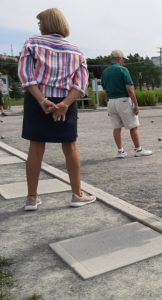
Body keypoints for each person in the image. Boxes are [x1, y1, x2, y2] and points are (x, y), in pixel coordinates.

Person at [18, 8, 96, 211]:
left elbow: (26, 77)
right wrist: (65, 104)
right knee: (69, 147)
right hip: (65, 101)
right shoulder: (76, 50)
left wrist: (42, 100)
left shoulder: (32, 43)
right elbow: (81, 84)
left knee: (36, 148)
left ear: (45, 24)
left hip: (38, 100)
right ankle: (77, 195)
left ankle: (32, 198)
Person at [101, 50, 153, 158]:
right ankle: (138, 149)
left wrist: (108, 104)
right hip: (123, 101)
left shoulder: (105, 72)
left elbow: (105, 90)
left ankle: (120, 151)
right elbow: (129, 88)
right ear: (119, 58)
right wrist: (136, 104)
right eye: (123, 59)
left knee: (116, 127)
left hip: (111, 101)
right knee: (133, 126)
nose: (124, 62)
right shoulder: (122, 70)